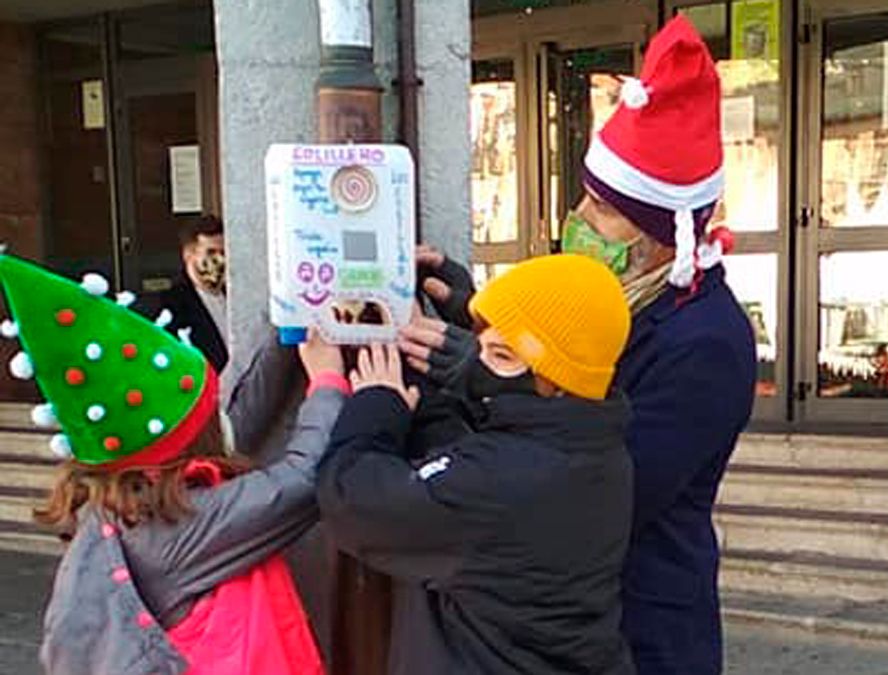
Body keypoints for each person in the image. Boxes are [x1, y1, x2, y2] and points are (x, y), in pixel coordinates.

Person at [404, 16, 757, 675]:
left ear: (662, 236)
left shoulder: (707, 342)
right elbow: (560, 353)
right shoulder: (632, 294)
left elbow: (603, 491)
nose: (581, 219)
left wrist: (481, 370)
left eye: (604, 209)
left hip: (642, 630)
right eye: (587, 198)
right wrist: (477, 310)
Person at [0, 254, 349, 674]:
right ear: (192, 440)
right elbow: (303, 479)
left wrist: (286, 316)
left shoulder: (120, 507)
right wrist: (328, 379)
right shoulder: (181, 524)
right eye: (211, 410)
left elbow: (246, 413)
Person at [318, 254, 635, 674]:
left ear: (558, 377)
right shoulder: (594, 444)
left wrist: (375, 404)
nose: (479, 364)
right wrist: (424, 388)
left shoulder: (499, 480)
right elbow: (463, 458)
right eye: (479, 342)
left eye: (501, 355)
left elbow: (352, 498)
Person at [160, 214, 229, 372]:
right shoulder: (172, 305)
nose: (219, 259)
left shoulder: (236, 297)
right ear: (188, 255)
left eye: (223, 252)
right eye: (210, 252)